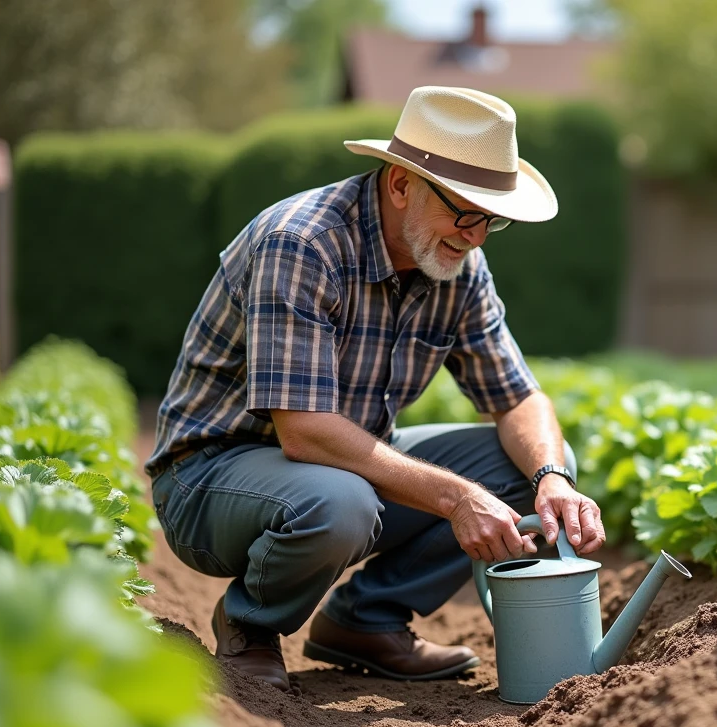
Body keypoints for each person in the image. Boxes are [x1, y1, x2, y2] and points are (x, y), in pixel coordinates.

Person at [145, 86, 606, 693]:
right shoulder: (303, 243)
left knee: (534, 461)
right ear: (399, 184)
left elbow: (518, 397)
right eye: (465, 211)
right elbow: (305, 432)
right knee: (341, 504)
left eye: (491, 219)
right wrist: (455, 500)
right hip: (209, 478)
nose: (477, 237)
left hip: (337, 472)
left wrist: (553, 479)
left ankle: (365, 621)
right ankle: (249, 627)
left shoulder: (457, 265)